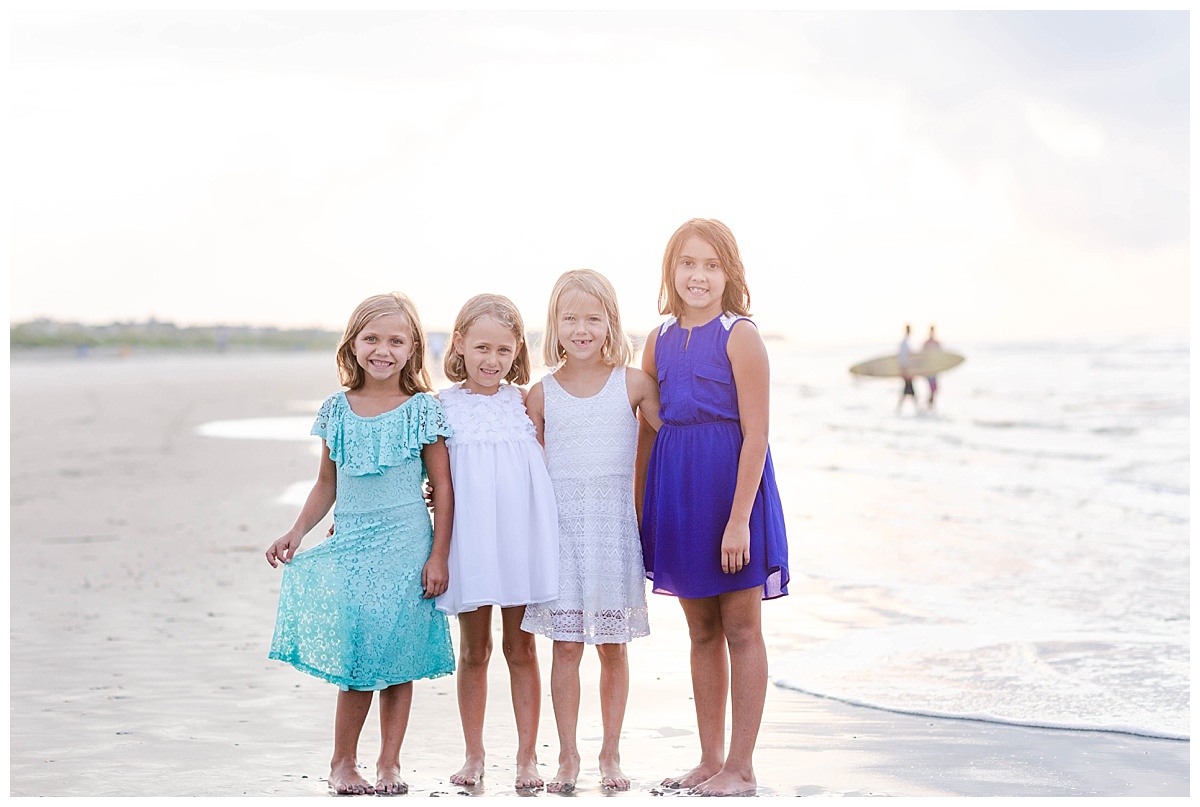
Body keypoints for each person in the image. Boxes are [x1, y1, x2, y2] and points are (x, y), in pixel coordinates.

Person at [265, 292, 455, 796]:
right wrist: (296, 531)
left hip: (408, 547)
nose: (383, 350)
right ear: (353, 345)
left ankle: (390, 763)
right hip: (353, 545)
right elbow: (326, 484)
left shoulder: (422, 410)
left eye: (396, 341)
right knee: (357, 659)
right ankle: (342, 763)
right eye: (372, 338)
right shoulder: (336, 410)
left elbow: (444, 488)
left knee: (399, 659)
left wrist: (439, 554)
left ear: (413, 349)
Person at [636, 218, 789, 797]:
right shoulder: (657, 339)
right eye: (687, 263)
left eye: (711, 265)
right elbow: (647, 428)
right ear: (671, 271)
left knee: (742, 629)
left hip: (733, 495)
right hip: (677, 495)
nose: (698, 276)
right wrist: (640, 510)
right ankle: (710, 759)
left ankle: (742, 768)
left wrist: (738, 519)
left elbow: (757, 435)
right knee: (701, 631)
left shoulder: (740, 334)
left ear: (730, 273)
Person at [521, 269, 662, 793]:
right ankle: (567, 757)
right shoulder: (540, 395)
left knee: (612, 647)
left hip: (613, 532)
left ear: (611, 323)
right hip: (560, 534)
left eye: (593, 318)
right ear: (554, 325)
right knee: (563, 648)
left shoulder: (634, 384)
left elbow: (673, 444)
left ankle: (610, 753)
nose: (582, 328)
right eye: (570, 318)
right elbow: (521, 469)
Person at [434, 294, 560, 791]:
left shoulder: (525, 402)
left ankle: (528, 757)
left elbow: (553, 461)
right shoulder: (441, 407)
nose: (492, 360)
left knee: (521, 647)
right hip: (469, 539)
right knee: (474, 649)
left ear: (517, 351)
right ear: (460, 343)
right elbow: (433, 478)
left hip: (519, 536)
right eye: (482, 347)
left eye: (504, 351)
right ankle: (474, 753)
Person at [897, 323, 917, 413]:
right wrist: (905, 371)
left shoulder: (906, 342)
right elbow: (903, 359)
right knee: (909, 390)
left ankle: (899, 409)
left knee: (907, 390)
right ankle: (917, 408)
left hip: (907, 370)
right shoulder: (904, 343)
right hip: (906, 371)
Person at [922, 324, 941, 410]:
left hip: (935, 370)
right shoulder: (926, 343)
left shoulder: (937, 343)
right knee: (932, 388)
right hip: (929, 370)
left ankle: (929, 405)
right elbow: (923, 355)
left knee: (934, 389)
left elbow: (940, 356)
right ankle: (929, 406)